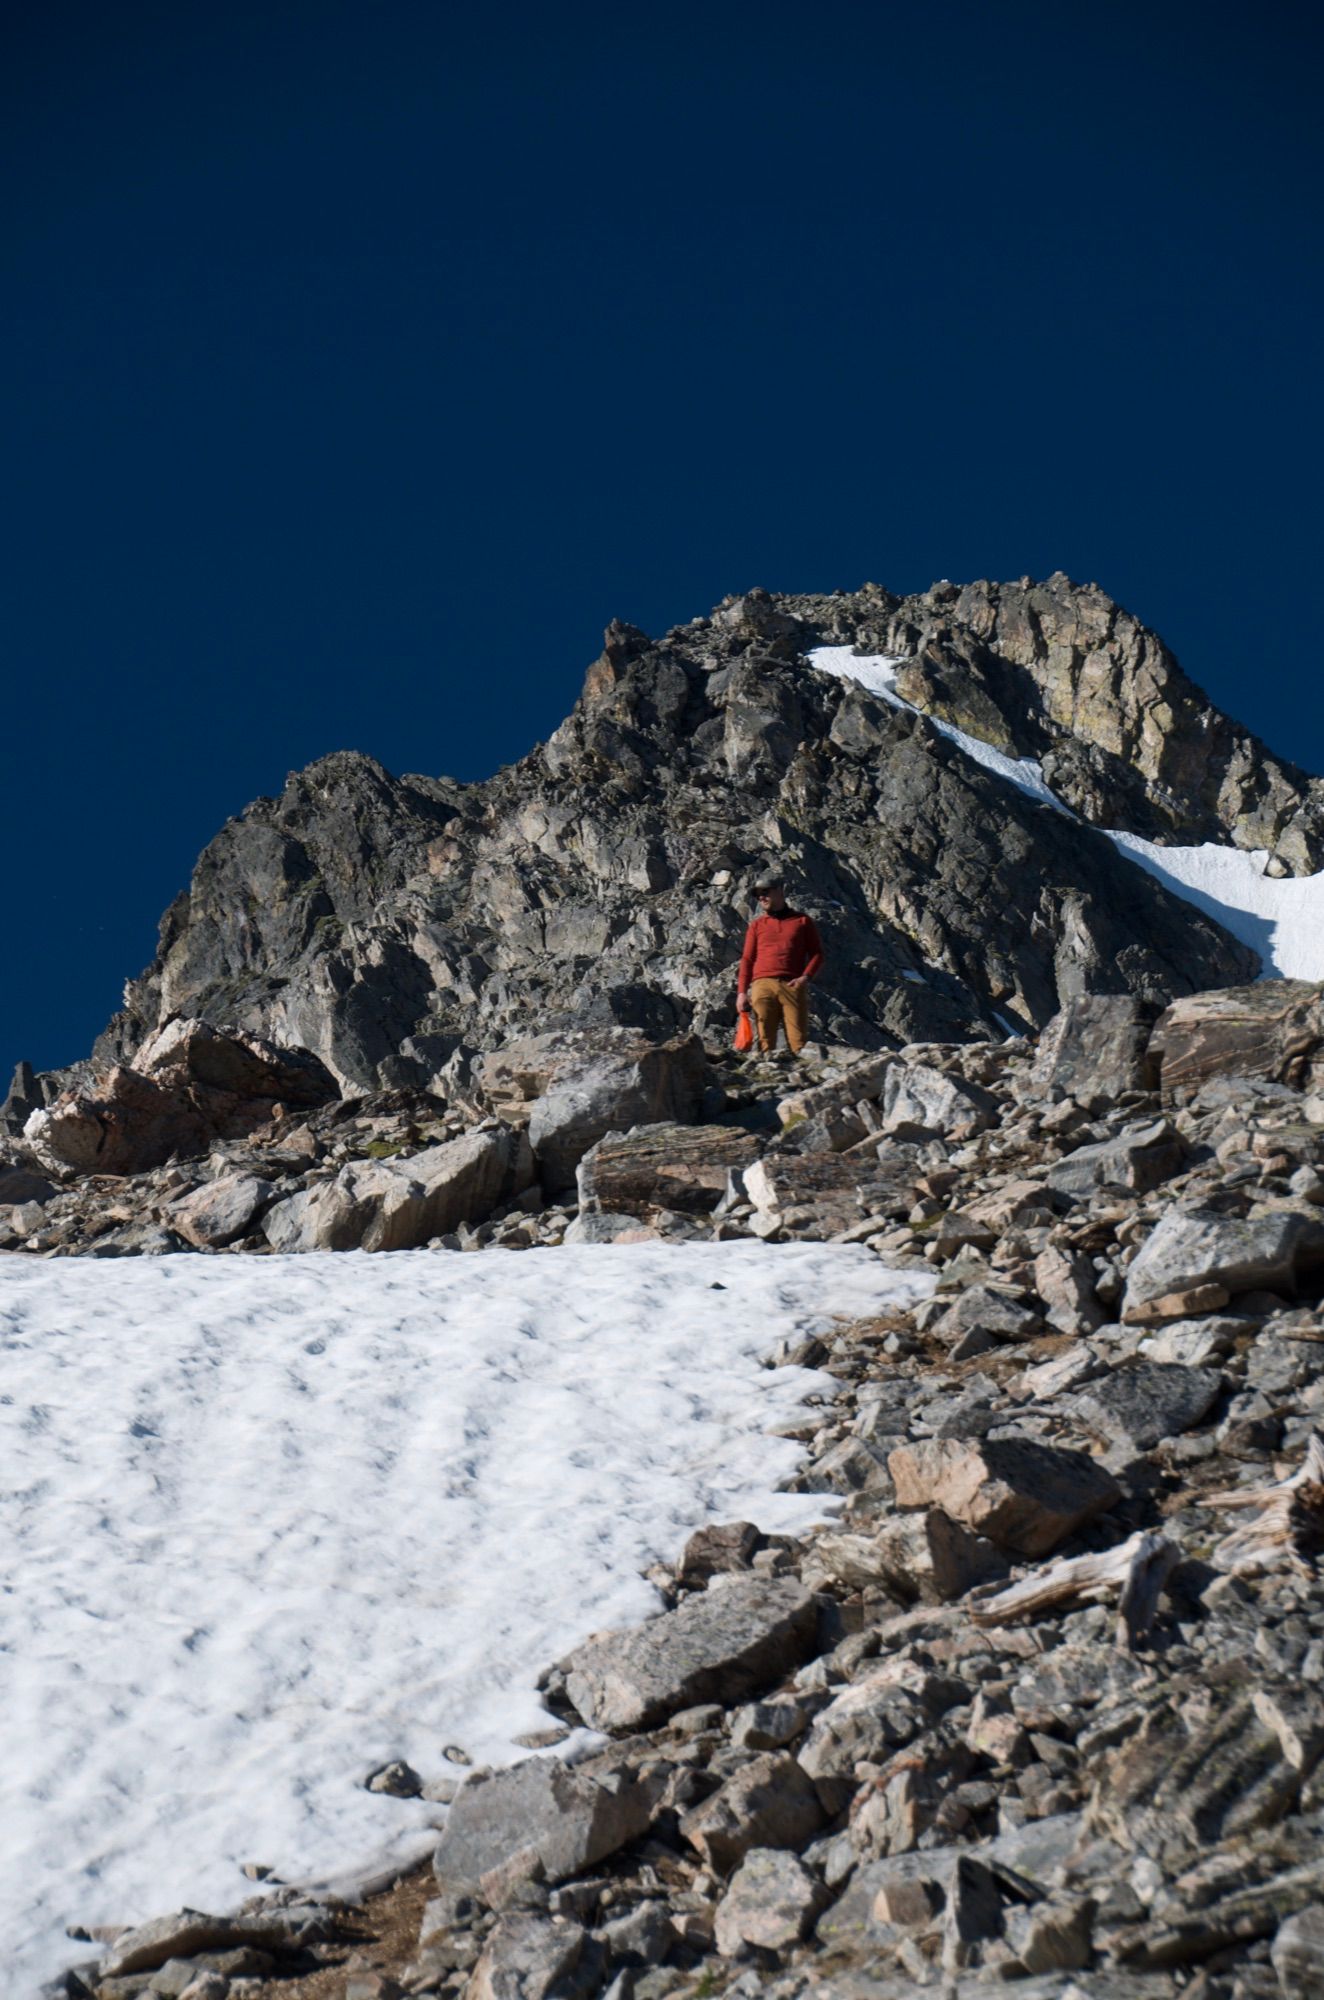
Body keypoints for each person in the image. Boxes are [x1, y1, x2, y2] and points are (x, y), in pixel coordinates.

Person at [736, 872, 824, 1055]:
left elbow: (817, 954)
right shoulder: (757, 925)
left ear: (780, 891)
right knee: (764, 1043)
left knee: (798, 1043)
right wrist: (742, 992)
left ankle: (801, 1080)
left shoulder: (802, 921)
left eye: (766, 892)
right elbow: (747, 959)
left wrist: (805, 978)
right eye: (757, 895)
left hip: (792, 985)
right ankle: (767, 1074)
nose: (761, 897)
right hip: (762, 985)